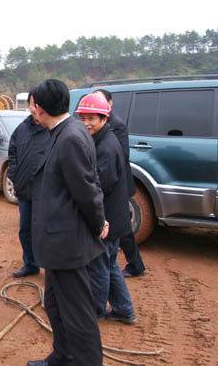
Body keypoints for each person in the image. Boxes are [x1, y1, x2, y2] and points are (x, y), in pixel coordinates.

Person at [28, 79, 108, 366]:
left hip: (67, 243)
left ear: (40, 108)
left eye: (32, 105)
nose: (31, 110)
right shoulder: (61, 131)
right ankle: (63, 355)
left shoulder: (71, 136)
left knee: (78, 313)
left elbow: (87, 189)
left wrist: (99, 223)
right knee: (55, 304)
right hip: (56, 242)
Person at [76, 93, 137, 324]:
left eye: (92, 118)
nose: (86, 123)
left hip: (108, 218)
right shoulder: (101, 140)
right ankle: (124, 309)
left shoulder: (106, 147)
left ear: (104, 119)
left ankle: (97, 310)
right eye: (83, 118)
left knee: (99, 265)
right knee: (109, 264)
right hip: (114, 216)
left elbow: (100, 185)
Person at [94, 89, 146, 278]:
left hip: (117, 183)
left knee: (120, 227)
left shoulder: (116, 125)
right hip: (112, 181)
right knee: (119, 228)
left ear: (110, 104)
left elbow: (122, 156)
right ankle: (135, 264)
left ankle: (135, 265)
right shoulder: (98, 125)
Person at [7, 91, 49, 278]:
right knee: (26, 230)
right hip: (25, 191)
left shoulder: (52, 130)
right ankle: (30, 264)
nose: (34, 109)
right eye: (31, 104)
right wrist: (15, 176)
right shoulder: (22, 129)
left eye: (37, 105)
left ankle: (51, 270)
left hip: (46, 193)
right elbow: (12, 154)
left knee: (46, 232)